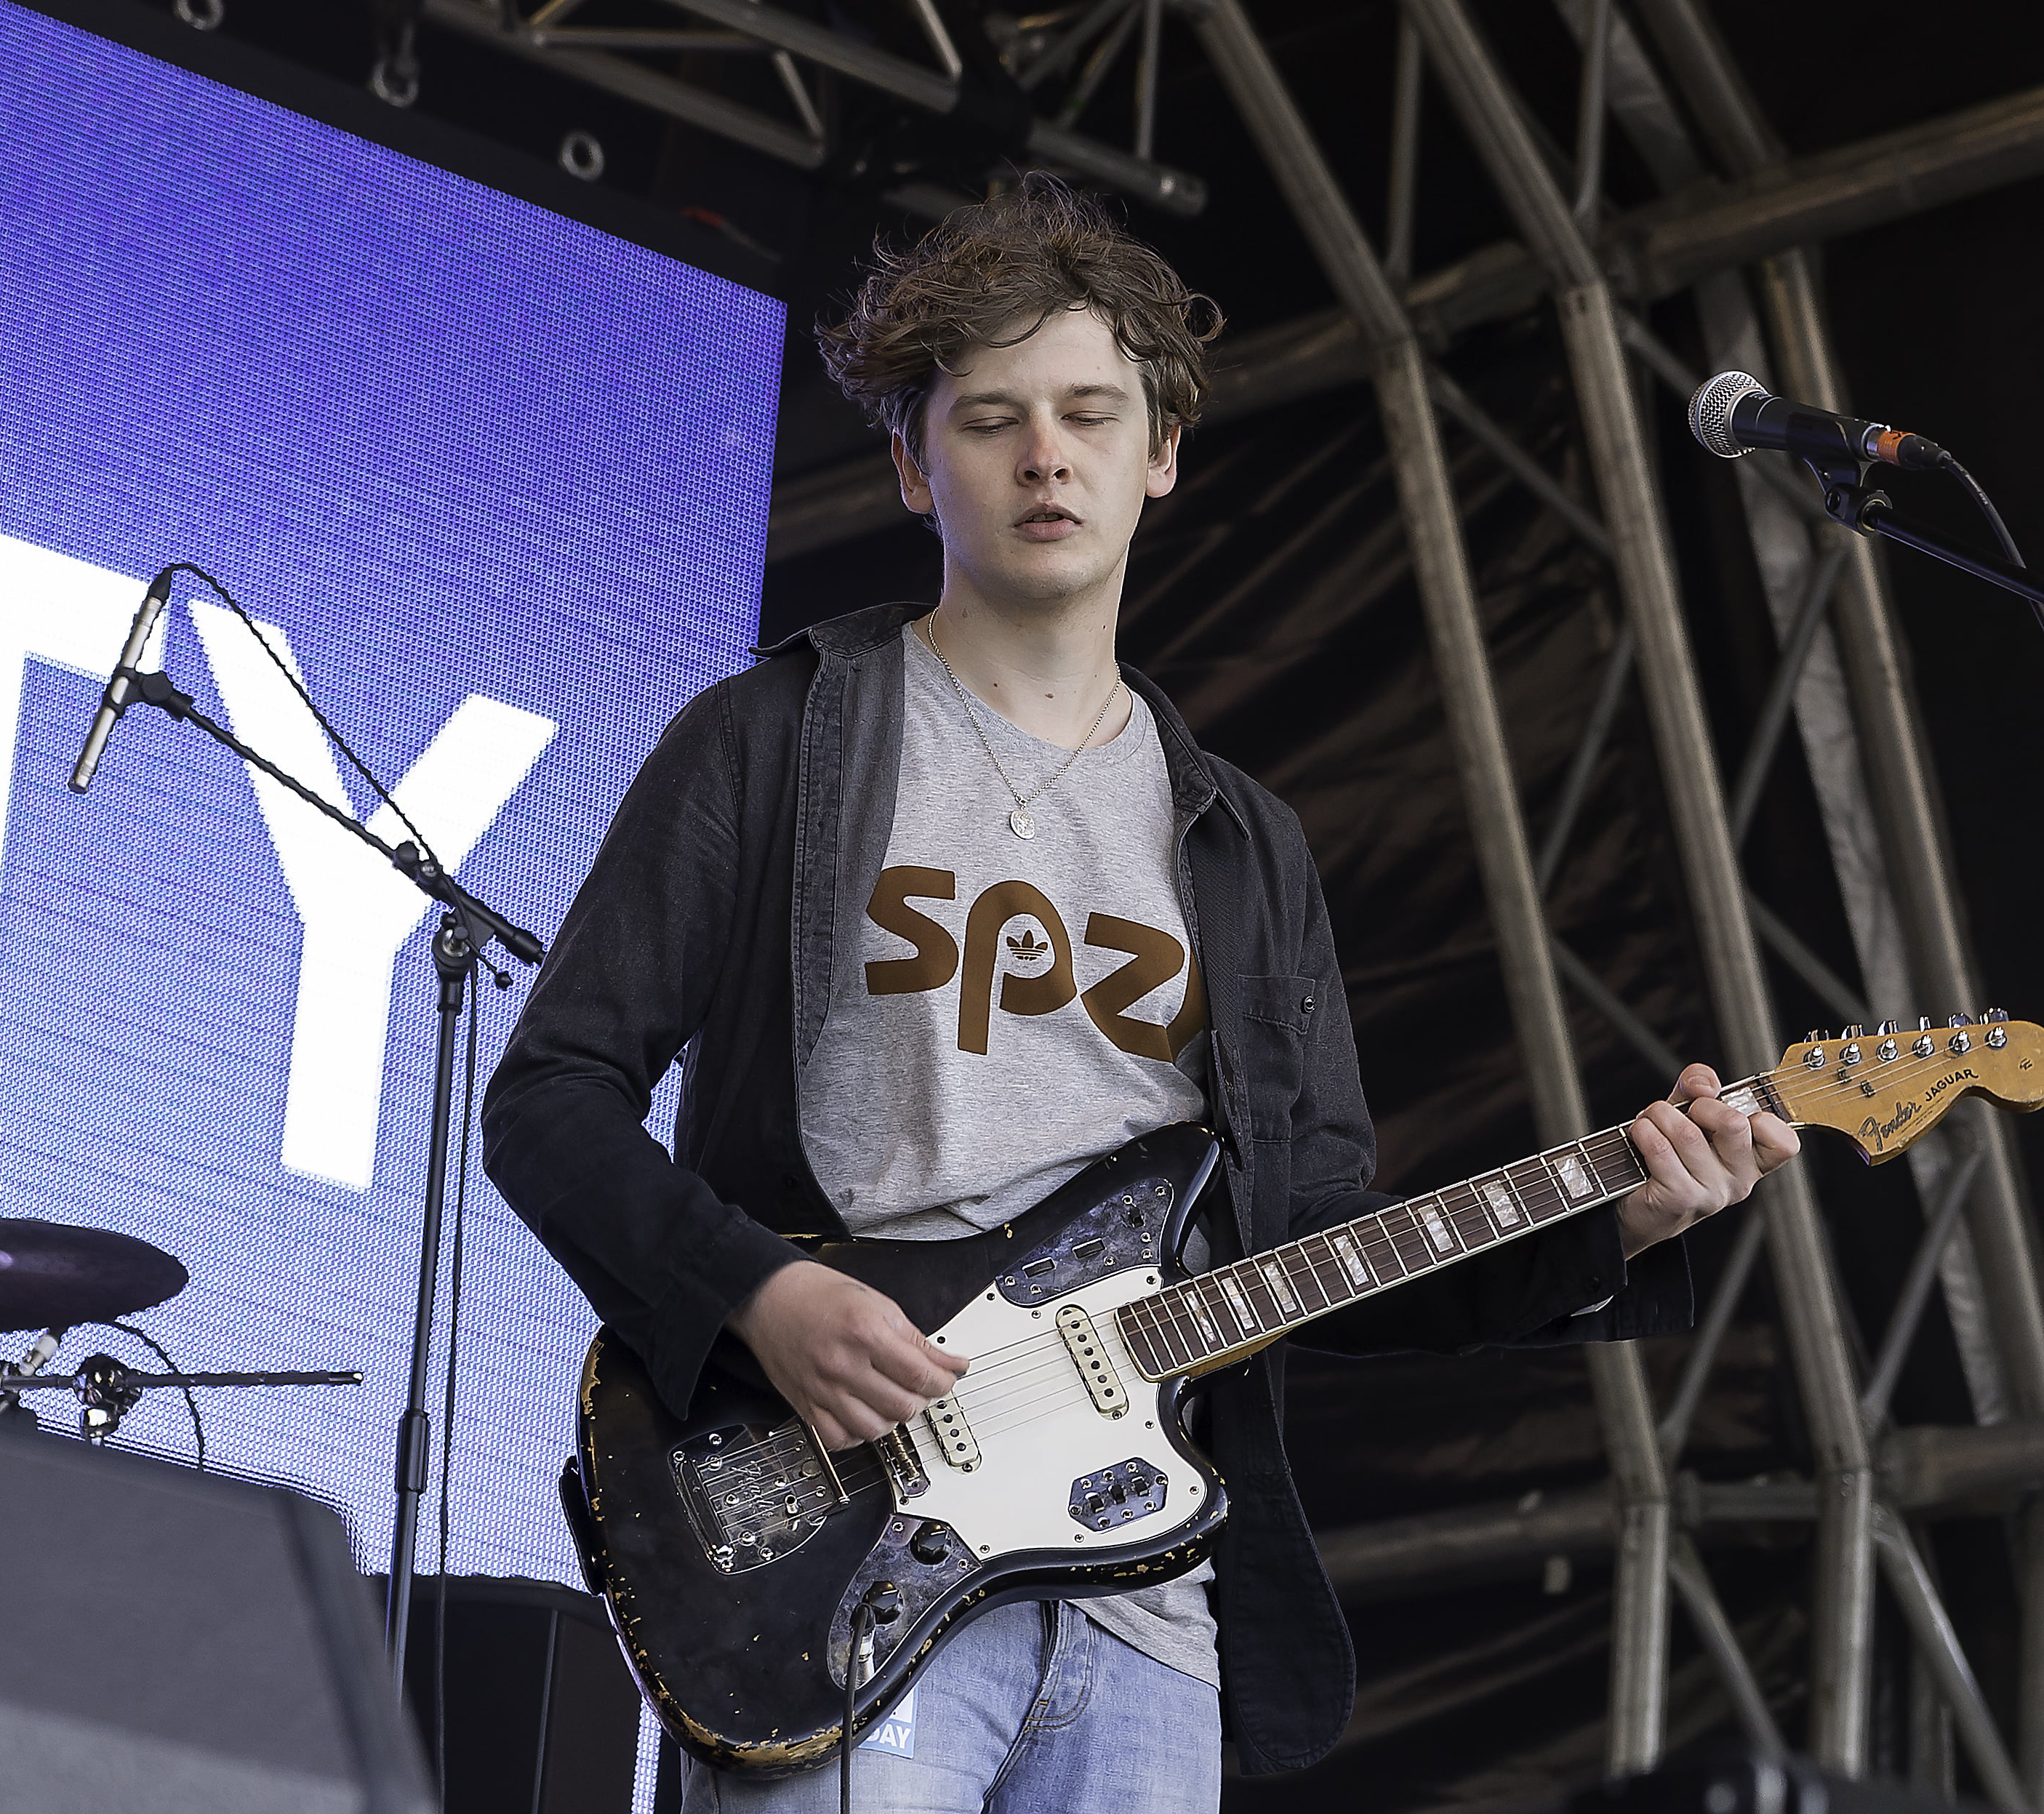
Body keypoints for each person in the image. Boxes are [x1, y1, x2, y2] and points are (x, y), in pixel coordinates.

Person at [481, 174, 1797, 1814]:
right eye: (992, 420)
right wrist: (760, 1292)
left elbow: (1325, 1248)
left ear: (1157, 455)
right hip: (843, 1549)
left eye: (1092, 415)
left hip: (1146, 1607)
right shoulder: (773, 743)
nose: (1047, 456)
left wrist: (1619, 1220)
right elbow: (548, 1100)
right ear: (911, 461)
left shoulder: (1244, 846)